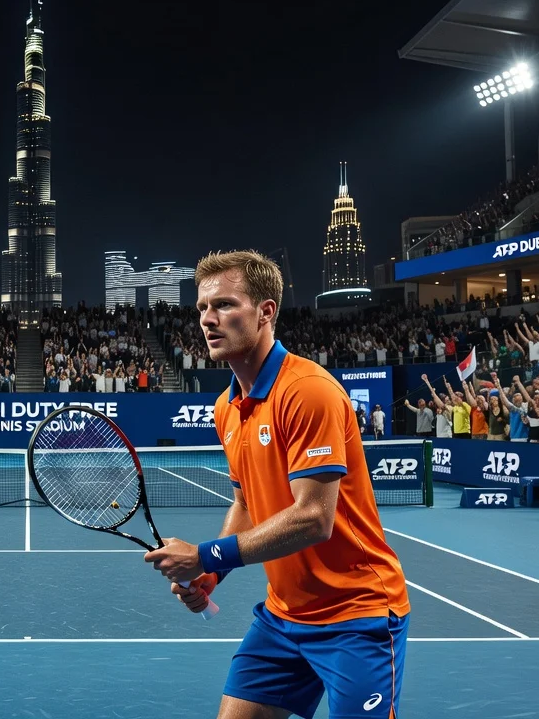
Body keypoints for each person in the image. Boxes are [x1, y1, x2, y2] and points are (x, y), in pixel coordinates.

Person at [143, 250, 410, 719]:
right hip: (283, 617)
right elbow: (246, 500)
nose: (208, 319)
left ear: (266, 311)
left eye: (225, 305)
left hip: (356, 615)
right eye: (202, 307)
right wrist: (213, 575)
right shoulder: (226, 408)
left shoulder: (307, 390)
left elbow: (314, 518)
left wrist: (205, 555)